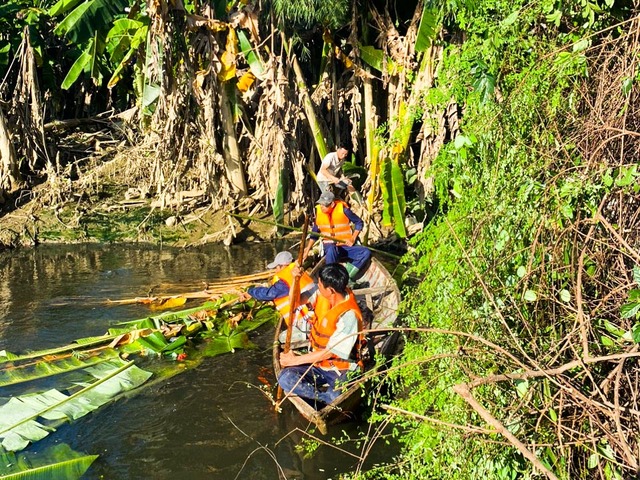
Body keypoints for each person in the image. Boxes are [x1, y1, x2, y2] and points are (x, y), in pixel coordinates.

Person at [278, 263, 364, 405]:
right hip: (318, 364)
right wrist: (295, 280)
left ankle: (326, 400)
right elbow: (294, 302)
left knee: (335, 397)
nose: (317, 286)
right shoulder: (321, 294)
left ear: (330, 290)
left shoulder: (349, 315)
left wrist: (293, 361)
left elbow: (330, 352)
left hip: (342, 369)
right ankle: (322, 398)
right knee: (285, 378)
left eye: (319, 284)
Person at [239, 251, 316, 333]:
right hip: (314, 312)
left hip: (305, 319)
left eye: (277, 267)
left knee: (282, 338)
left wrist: (251, 292)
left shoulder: (287, 277)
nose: (276, 270)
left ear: (283, 266)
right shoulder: (299, 271)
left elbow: (270, 294)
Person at [303, 191, 371, 281]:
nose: (322, 207)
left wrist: (353, 238)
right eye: (321, 204)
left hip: (345, 245)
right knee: (331, 250)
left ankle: (347, 277)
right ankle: (329, 279)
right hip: (330, 246)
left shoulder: (344, 210)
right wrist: (307, 249)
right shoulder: (319, 212)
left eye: (325, 205)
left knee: (366, 252)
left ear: (332, 204)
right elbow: (314, 233)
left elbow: (358, 222)